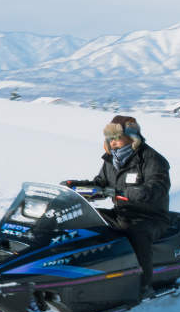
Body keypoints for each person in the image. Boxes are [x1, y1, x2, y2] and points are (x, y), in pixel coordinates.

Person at [62, 115, 171, 299]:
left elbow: (158, 186)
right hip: (121, 214)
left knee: (136, 233)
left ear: (132, 137)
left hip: (149, 217)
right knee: (84, 219)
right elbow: (100, 185)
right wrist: (75, 186)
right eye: (109, 138)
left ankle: (143, 287)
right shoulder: (111, 161)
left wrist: (137, 192)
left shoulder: (152, 159)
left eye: (117, 137)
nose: (112, 142)